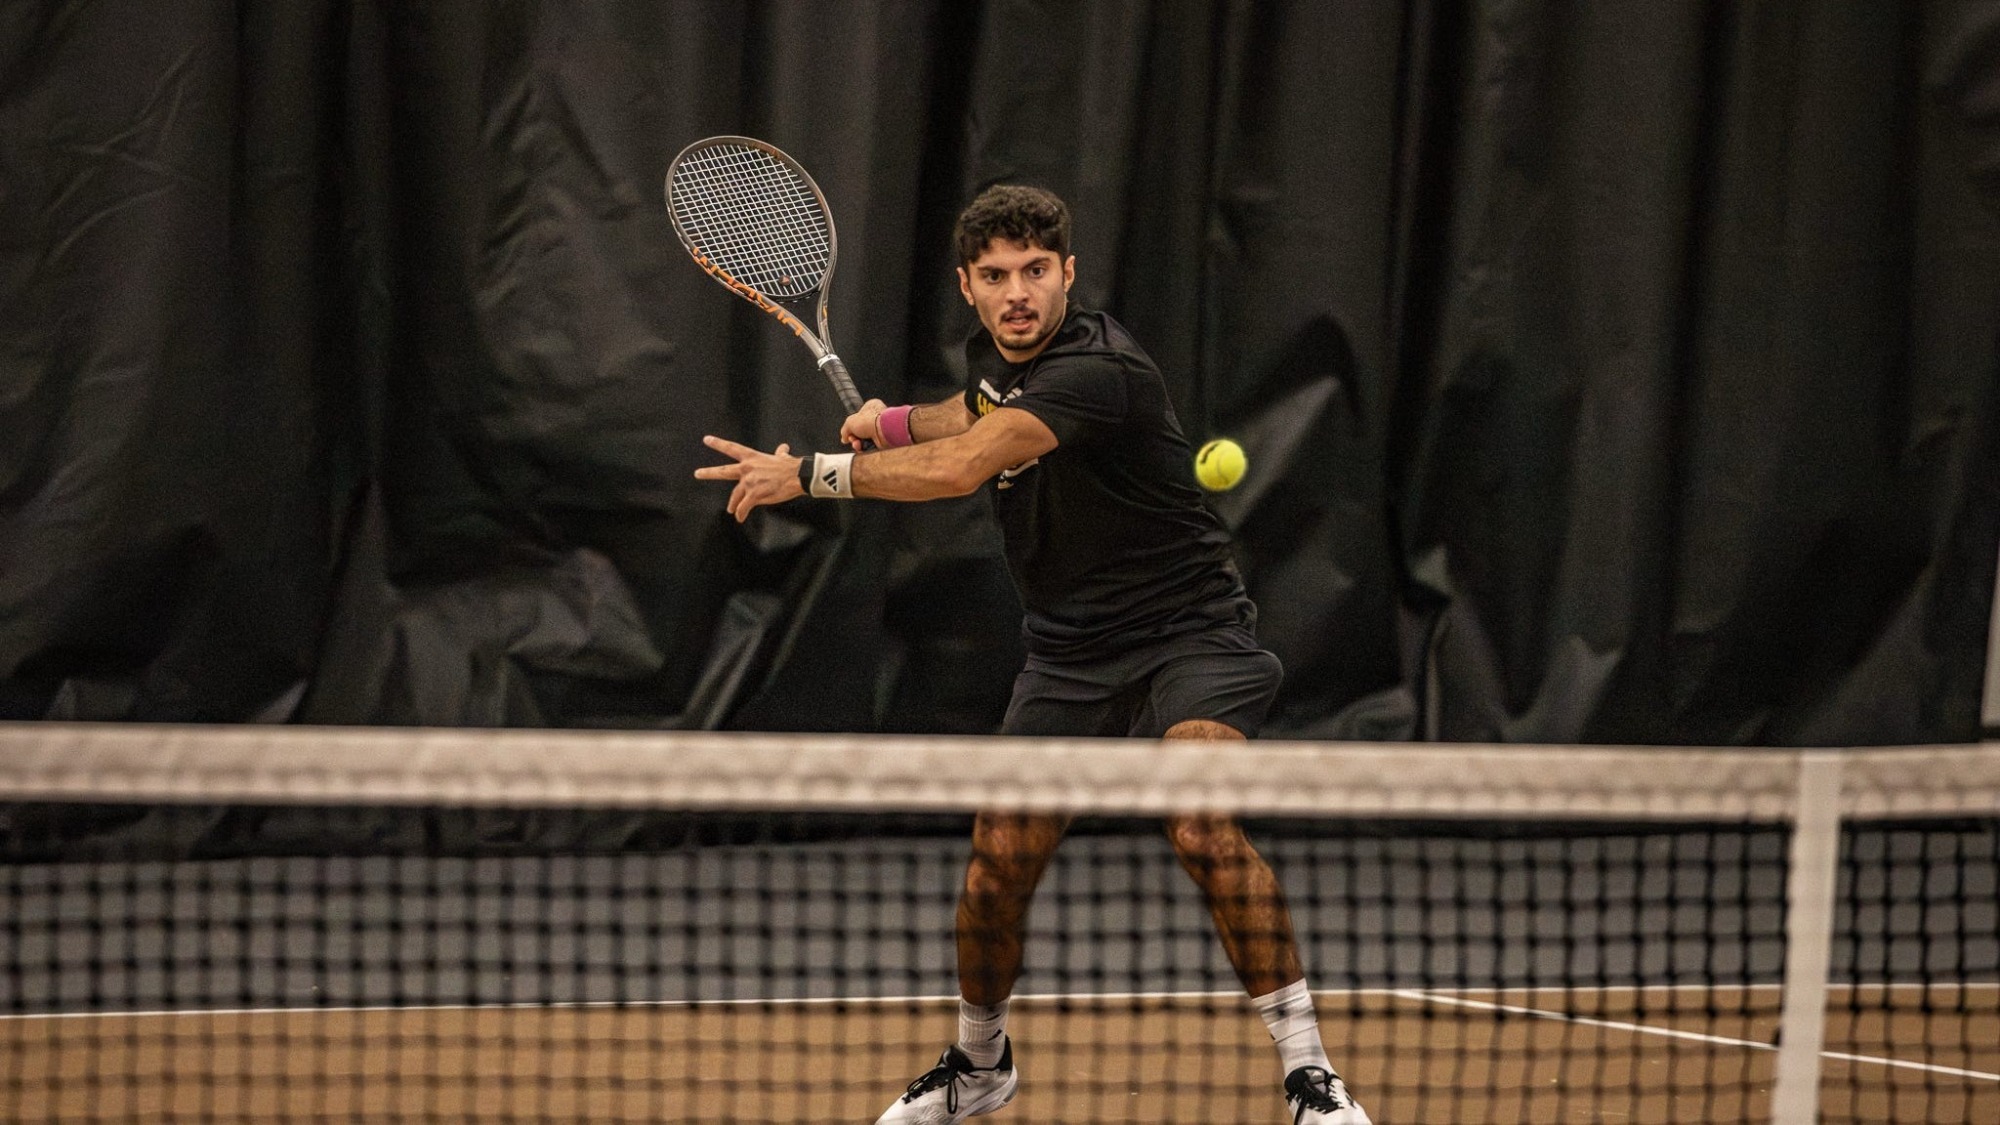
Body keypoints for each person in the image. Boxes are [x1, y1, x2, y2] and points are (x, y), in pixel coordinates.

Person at [695, 185, 1369, 1125]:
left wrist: (806, 473)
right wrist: (893, 422)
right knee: (997, 862)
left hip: (1189, 633)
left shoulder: (1098, 369)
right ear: (967, 286)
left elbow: (965, 464)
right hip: (1069, 651)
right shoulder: (998, 360)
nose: (1018, 293)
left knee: (1200, 822)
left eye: (1036, 271)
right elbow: (970, 413)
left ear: (1068, 274)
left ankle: (1310, 1076)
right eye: (997, 275)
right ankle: (980, 1065)